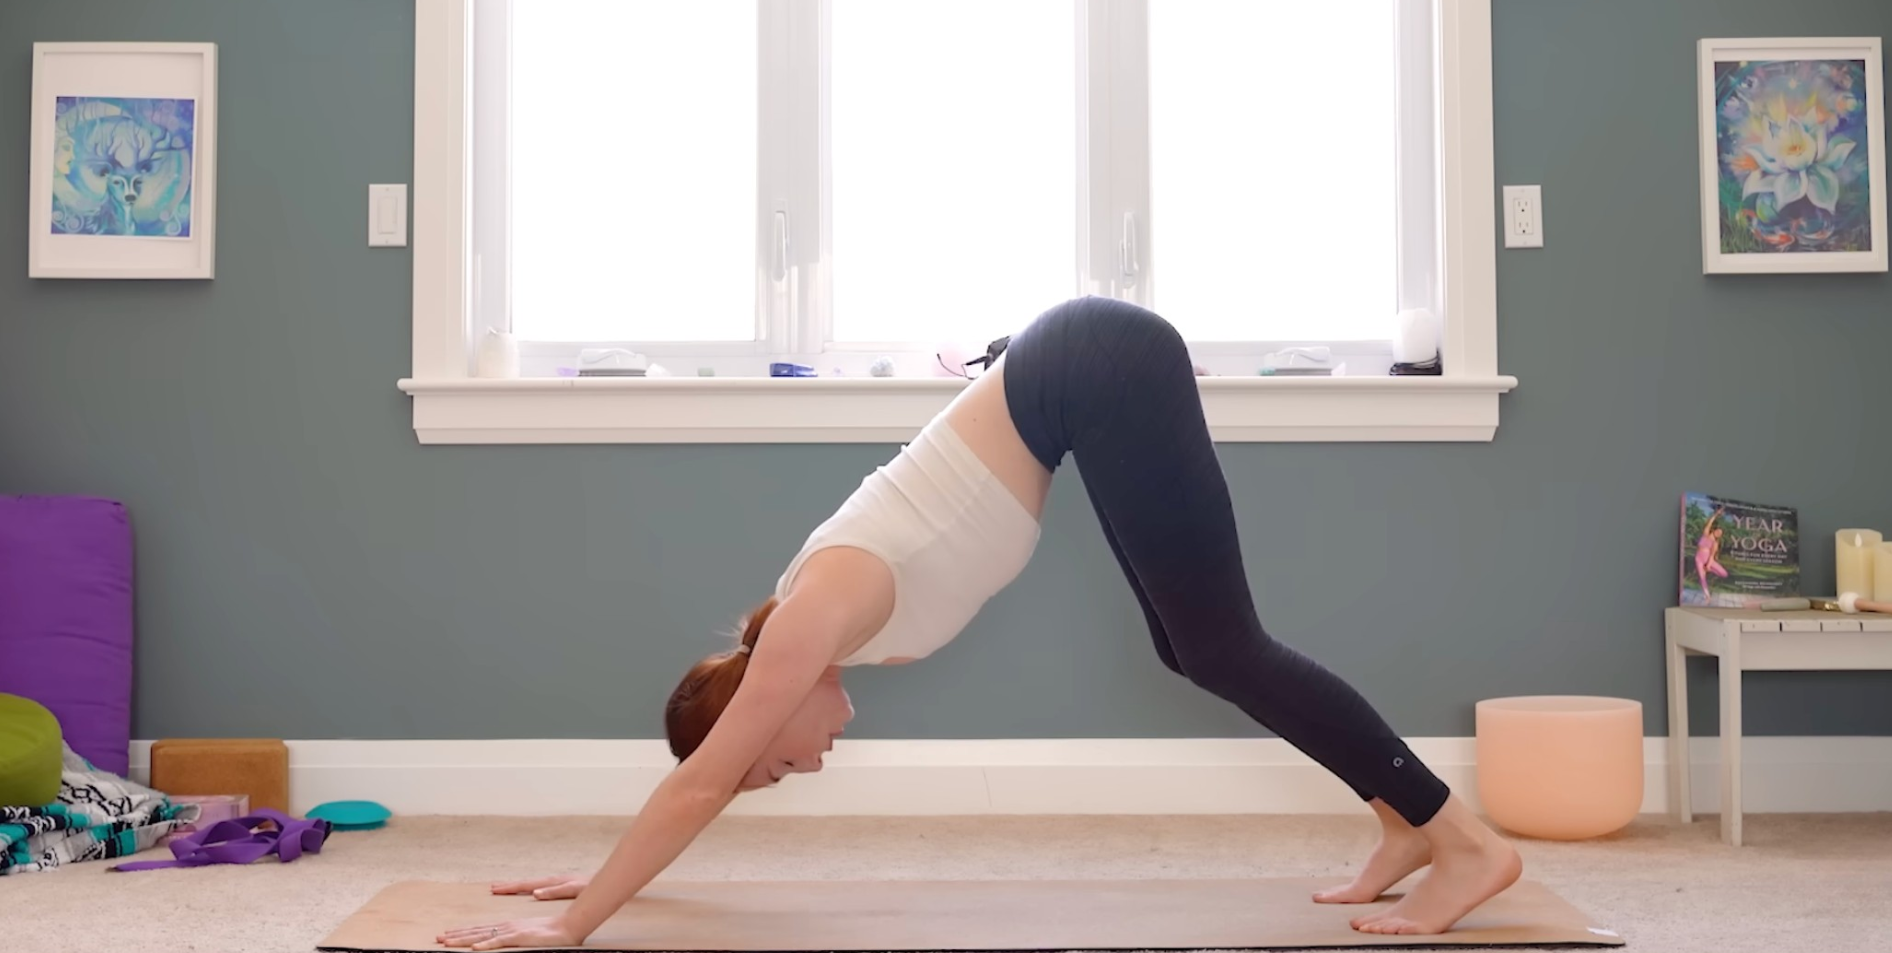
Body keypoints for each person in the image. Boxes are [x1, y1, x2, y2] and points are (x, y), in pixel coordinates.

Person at [434, 296, 1521, 950]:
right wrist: (616, 870)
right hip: (1076, 371)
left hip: (1097, 364)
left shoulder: (813, 617)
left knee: (1224, 643)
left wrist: (573, 927)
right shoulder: (823, 628)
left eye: (775, 768)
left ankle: (1464, 841)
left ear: (752, 716)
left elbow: (699, 780)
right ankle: (1404, 820)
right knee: (1192, 648)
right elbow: (707, 781)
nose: (803, 770)